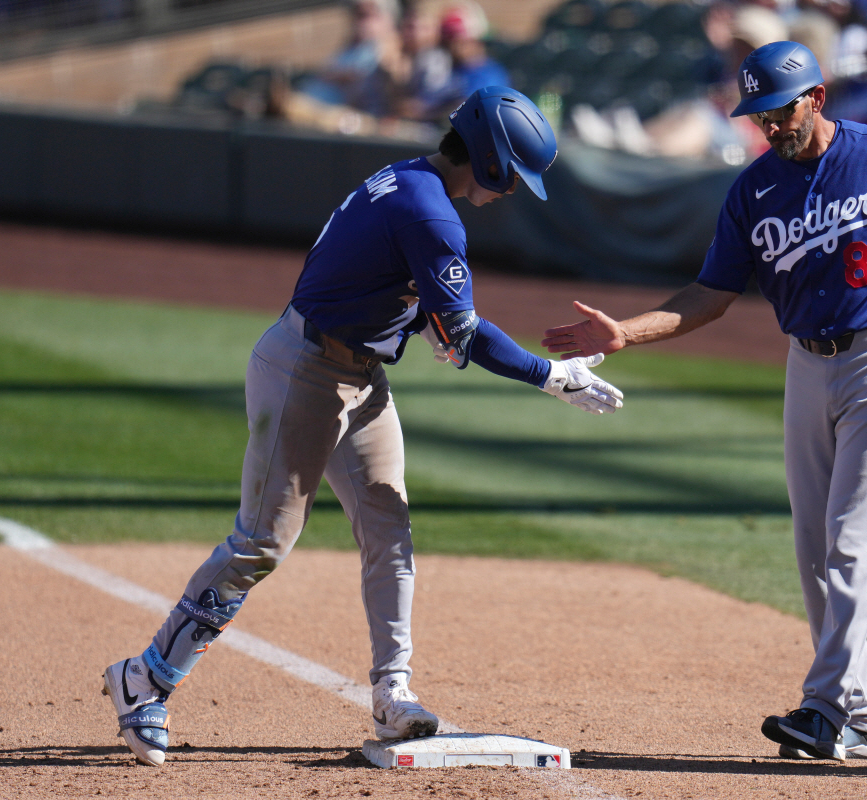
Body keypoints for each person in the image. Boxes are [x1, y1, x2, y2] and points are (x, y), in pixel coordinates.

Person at [102, 86, 624, 768]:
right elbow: (465, 334)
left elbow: (361, 277)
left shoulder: (406, 178)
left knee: (388, 524)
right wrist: (553, 376)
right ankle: (144, 680)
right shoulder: (433, 216)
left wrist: (414, 319)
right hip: (306, 373)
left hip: (359, 373)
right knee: (260, 544)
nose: (515, 192)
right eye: (515, 178)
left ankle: (392, 692)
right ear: (493, 163)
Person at [542, 41, 867, 761]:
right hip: (807, 364)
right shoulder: (753, 190)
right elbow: (709, 296)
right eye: (758, 115)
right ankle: (862, 716)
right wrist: (627, 334)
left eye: (778, 111)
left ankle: (823, 708)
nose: (768, 126)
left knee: (851, 542)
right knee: (812, 552)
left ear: (816, 98)